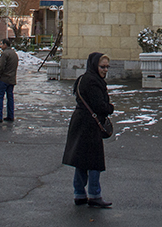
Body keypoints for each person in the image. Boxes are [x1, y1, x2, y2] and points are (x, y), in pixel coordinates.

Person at [62, 52, 114, 209]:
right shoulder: (93, 82)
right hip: (89, 125)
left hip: (80, 122)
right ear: (94, 65)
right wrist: (110, 108)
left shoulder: (84, 78)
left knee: (81, 159)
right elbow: (100, 105)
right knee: (94, 161)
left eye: (107, 67)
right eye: (102, 67)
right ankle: (94, 194)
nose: (105, 70)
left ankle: (79, 194)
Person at [0, 38, 18, 122]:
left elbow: (0, 67)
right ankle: (10, 115)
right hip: (11, 79)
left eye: (1, 44)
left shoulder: (5, 54)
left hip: (3, 79)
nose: (0, 45)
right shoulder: (14, 54)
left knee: (0, 98)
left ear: (5, 45)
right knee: (10, 97)